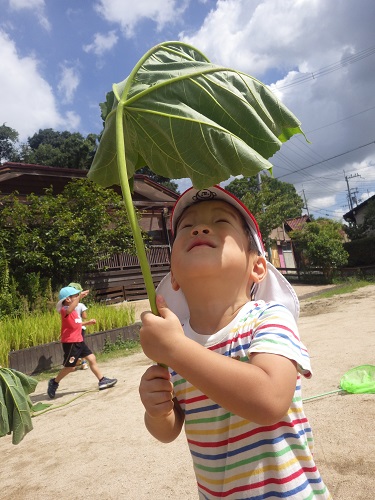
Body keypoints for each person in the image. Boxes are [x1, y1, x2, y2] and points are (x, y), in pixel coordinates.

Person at [139, 186, 331, 499]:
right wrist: (157, 412)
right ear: (173, 274)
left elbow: (269, 400)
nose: (201, 228)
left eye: (221, 223)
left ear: (257, 266)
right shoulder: (178, 339)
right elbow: (170, 429)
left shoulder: (269, 318)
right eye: (187, 227)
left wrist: (175, 349)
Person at [48, 285, 117, 398]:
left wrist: (87, 323)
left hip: (79, 340)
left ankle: (102, 380)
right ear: (67, 299)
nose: (77, 298)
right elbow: (70, 309)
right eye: (75, 296)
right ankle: (54, 382)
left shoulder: (73, 312)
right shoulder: (64, 310)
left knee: (92, 358)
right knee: (71, 367)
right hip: (71, 343)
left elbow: (75, 324)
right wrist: (80, 297)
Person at [68, 282, 90, 369]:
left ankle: (76, 361)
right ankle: (84, 362)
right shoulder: (81, 305)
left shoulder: (67, 307)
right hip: (80, 328)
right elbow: (85, 317)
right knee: (81, 345)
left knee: (73, 347)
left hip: (71, 329)